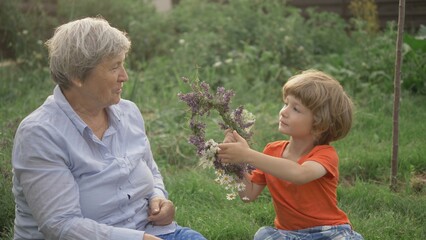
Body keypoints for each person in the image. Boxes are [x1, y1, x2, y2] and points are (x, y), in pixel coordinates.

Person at [11, 17, 206, 240]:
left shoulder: (129, 112)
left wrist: (158, 198)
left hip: (152, 232)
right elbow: (60, 225)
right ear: (77, 76)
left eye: (123, 64)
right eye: (114, 67)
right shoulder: (40, 134)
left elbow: (150, 169)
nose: (125, 76)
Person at [217, 70, 364, 240]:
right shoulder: (272, 151)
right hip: (288, 234)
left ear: (319, 124)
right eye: (285, 104)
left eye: (296, 109)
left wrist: (248, 155)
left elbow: (299, 174)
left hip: (328, 232)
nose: (284, 112)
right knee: (263, 236)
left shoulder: (325, 155)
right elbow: (248, 195)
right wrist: (237, 162)